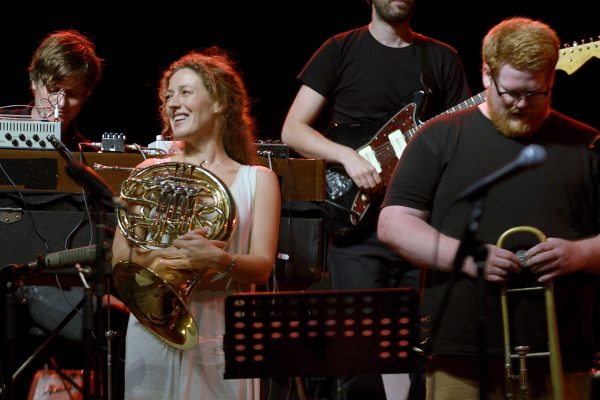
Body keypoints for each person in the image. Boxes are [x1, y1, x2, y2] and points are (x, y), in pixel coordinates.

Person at [378, 16, 599, 399]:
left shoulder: (588, 144)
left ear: (551, 79)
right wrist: (466, 257)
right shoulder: (439, 137)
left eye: (534, 93)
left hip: (562, 354)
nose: (520, 104)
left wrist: (580, 254)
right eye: (509, 92)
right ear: (486, 74)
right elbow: (394, 224)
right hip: (459, 354)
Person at [281, 0, 470, 397]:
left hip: (418, 226)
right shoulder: (339, 49)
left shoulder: (440, 57)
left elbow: (462, 132)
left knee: (420, 354)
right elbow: (293, 130)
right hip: (356, 229)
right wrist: (348, 157)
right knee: (361, 356)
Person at [111, 47, 280, 399]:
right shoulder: (147, 173)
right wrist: (169, 259)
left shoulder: (258, 180)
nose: (173, 104)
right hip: (151, 325)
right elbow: (119, 258)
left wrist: (217, 259)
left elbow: (262, 267)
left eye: (186, 92)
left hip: (221, 330)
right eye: (169, 96)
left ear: (219, 102)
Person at [1, 29, 102, 150]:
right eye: (53, 90)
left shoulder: (86, 153)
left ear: (85, 95)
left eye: (73, 94)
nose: (61, 103)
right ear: (34, 82)